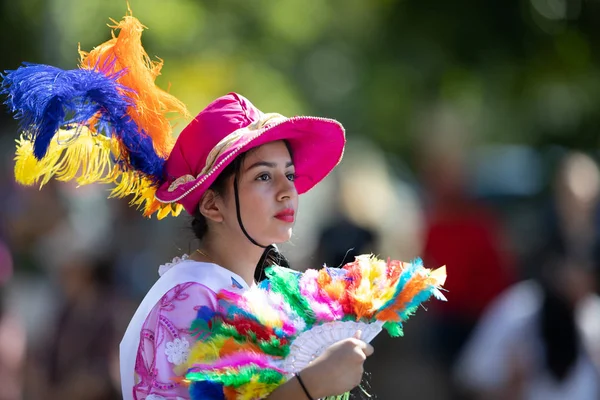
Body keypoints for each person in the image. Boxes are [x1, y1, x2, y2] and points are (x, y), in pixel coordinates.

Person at [118, 92, 376, 400]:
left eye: (289, 174)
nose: (287, 191)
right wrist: (310, 386)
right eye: (264, 176)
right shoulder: (189, 298)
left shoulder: (264, 292)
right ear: (213, 206)